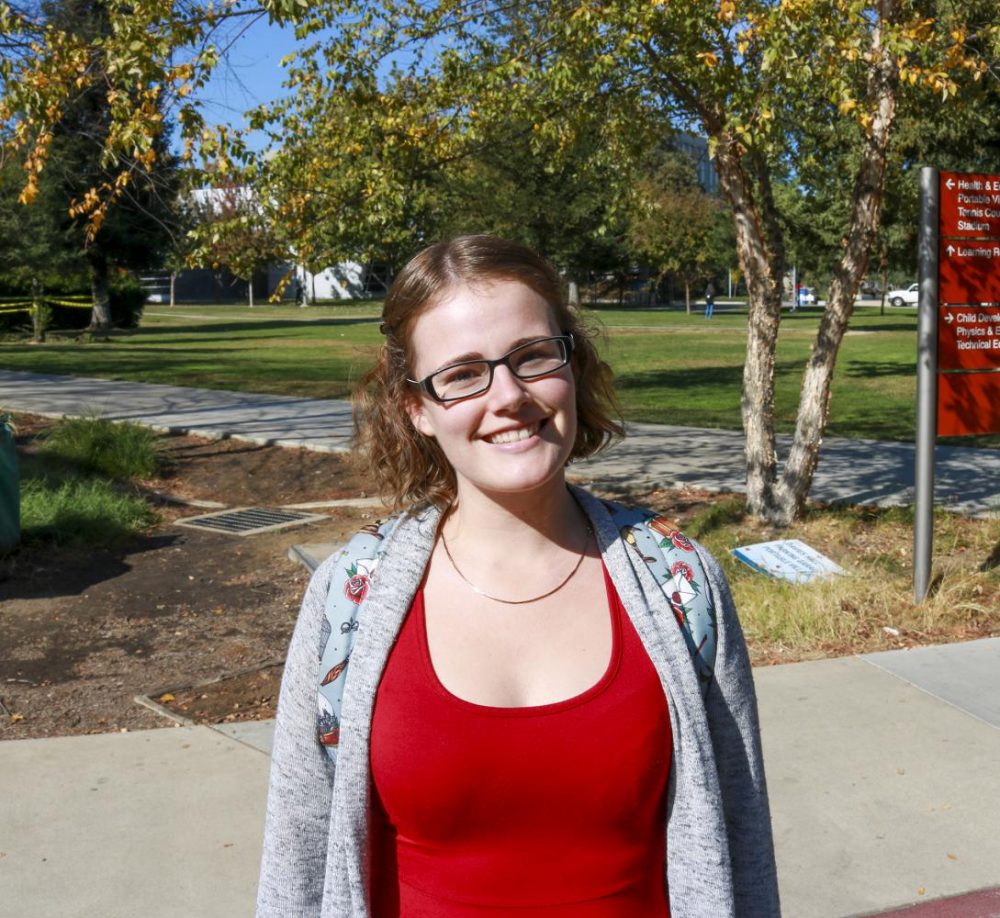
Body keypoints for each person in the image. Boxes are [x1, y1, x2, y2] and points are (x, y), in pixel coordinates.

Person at [256, 235, 780, 918]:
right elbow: (299, 853)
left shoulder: (680, 582)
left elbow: (742, 846)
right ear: (417, 407)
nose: (509, 396)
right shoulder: (351, 593)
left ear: (573, 363)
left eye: (532, 357)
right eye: (463, 373)